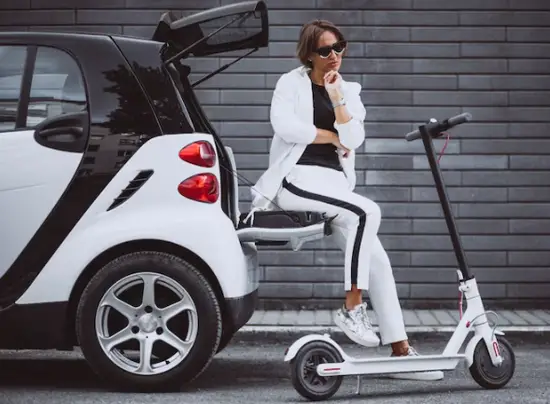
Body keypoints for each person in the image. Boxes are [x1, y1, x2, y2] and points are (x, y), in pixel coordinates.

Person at [249, 19, 443, 381]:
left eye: (340, 47)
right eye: (325, 50)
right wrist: (327, 134)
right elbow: (284, 126)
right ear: (309, 53)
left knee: (378, 262)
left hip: (335, 186)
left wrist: (338, 99)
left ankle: (400, 350)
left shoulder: (348, 89)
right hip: (294, 181)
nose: (335, 55)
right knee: (368, 210)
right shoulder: (290, 83)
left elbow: (353, 137)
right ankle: (352, 306)